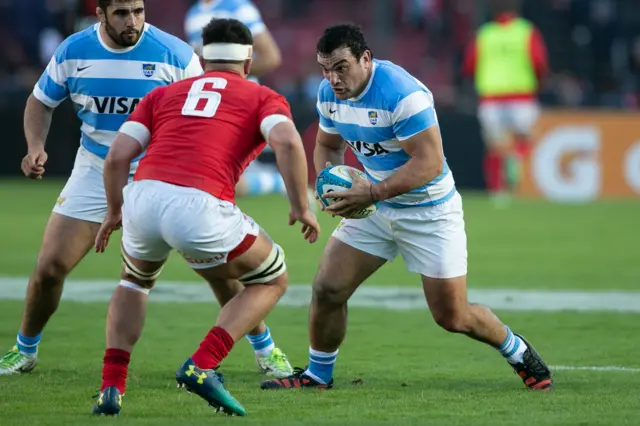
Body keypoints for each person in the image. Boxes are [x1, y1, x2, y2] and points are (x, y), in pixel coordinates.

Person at [1, 0, 294, 380]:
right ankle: (24, 349)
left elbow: (207, 110)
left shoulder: (174, 53)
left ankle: (265, 350)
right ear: (101, 14)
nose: (133, 20)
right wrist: (35, 146)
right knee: (50, 267)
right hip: (94, 168)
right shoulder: (73, 51)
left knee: (220, 274)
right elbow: (40, 102)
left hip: (161, 170)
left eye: (139, 10)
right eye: (122, 12)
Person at [261, 23, 553, 392]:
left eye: (340, 66)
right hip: (375, 206)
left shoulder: (402, 94)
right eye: (325, 68)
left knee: (452, 316)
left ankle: (517, 349)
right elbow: (327, 145)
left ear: (365, 59)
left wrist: (372, 193)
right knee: (328, 289)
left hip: (428, 210)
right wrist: (329, 184)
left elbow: (429, 163)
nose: (332, 77)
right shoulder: (329, 94)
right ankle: (317, 376)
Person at [90, 18, 319, 416]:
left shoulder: (162, 94)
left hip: (142, 197)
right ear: (249, 61)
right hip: (199, 204)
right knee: (272, 278)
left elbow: (117, 158)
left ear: (200, 57)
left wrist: (114, 212)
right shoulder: (261, 96)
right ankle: (203, 364)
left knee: (134, 282)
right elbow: (287, 141)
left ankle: (111, 387)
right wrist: (300, 205)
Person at [185, 0, 287, 198]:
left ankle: (278, 183)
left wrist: (228, 75)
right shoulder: (193, 14)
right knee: (211, 176)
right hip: (210, 101)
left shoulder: (239, 8)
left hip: (238, 102)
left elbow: (271, 57)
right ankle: (276, 182)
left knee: (213, 177)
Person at [462, 0, 548, 206]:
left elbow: (469, 66)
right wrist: (540, 83)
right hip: (522, 96)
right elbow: (539, 62)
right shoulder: (527, 31)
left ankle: (497, 193)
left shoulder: (484, 34)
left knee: (494, 148)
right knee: (525, 139)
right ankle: (516, 161)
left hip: (491, 98)